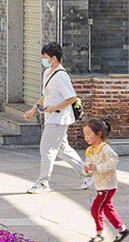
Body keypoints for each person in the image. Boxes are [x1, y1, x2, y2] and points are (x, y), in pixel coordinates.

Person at [24, 42, 93, 194]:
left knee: (46, 148)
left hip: (59, 118)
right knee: (62, 149)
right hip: (51, 117)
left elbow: (71, 98)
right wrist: (33, 109)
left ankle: (43, 183)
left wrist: (55, 107)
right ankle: (87, 174)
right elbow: (45, 95)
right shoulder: (47, 73)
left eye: (45, 57)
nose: (43, 59)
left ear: (53, 58)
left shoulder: (61, 75)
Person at [82, 119, 129, 242]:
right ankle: (122, 230)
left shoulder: (105, 149)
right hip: (100, 185)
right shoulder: (90, 150)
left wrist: (97, 167)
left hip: (108, 185)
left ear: (98, 134)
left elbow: (113, 161)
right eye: (85, 134)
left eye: (88, 134)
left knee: (96, 209)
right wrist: (86, 169)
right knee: (108, 208)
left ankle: (100, 233)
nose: (86, 137)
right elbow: (88, 164)